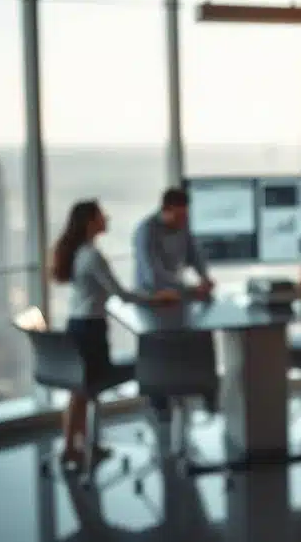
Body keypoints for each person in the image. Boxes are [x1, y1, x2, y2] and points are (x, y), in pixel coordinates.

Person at [51, 199, 179, 469]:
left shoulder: (78, 253)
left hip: (77, 326)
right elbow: (120, 294)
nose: (106, 219)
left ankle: (75, 448)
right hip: (90, 331)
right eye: (101, 216)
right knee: (84, 390)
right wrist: (158, 299)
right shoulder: (92, 256)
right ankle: (77, 449)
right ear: (90, 222)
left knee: (79, 391)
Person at [133, 187, 216, 421]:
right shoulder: (146, 230)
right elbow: (153, 275)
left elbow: (195, 256)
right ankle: (159, 403)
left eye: (185, 216)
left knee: (195, 338)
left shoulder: (183, 226)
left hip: (177, 298)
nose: (182, 221)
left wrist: (205, 278)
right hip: (152, 300)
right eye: (178, 216)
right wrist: (190, 289)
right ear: (165, 210)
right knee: (160, 347)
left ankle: (204, 391)